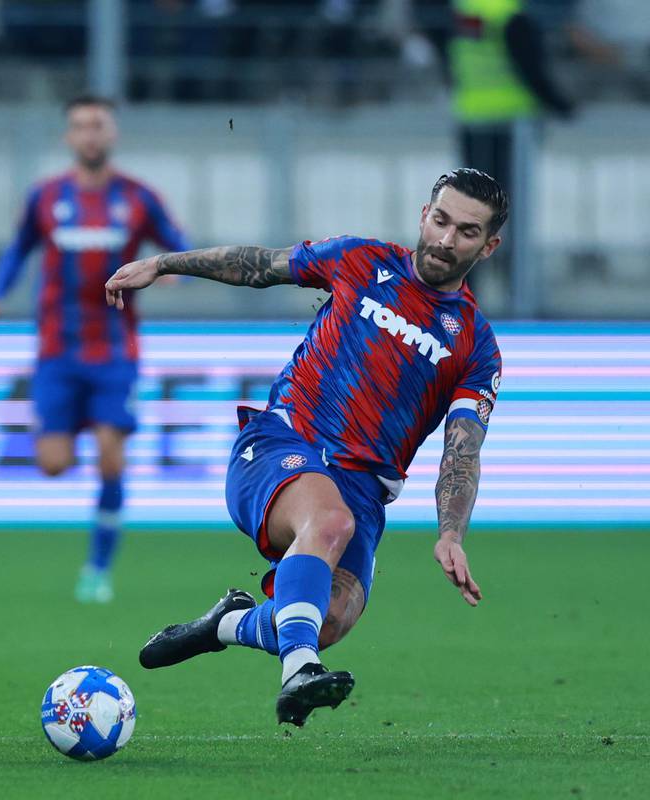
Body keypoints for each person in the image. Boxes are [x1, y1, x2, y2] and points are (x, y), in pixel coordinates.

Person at [105, 168, 505, 727]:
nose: (445, 239)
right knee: (329, 524)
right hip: (283, 443)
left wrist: (451, 534)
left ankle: (225, 624)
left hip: (363, 490)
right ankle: (298, 673)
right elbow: (259, 266)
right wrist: (164, 262)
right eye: (440, 220)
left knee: (328, 618)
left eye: (466, 231)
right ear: (423, 215)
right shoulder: (362, 261)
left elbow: (462, 450)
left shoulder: (476, 346)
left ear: (489, 245)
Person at [0, 95, 191, 604]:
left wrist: (172, 268)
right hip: (56, 349)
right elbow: (19, 249)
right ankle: (78, 428)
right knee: (52, 461)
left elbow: (177, 242)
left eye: (99, 125)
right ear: (69, 137)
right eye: (81, 126)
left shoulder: (137, 198)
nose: (90, 134)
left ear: (112, 134)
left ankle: (97, 569)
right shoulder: (45, 197)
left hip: (115, 348)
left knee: (112, 459)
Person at [448, 0, 572, 310]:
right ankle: (517, 295)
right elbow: (530, 69)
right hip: (509, 126)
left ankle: (465, 294)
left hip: (473, 117)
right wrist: (564, 107)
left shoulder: (467, 9)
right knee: (503, 215)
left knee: (472, 212)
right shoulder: (509, 15)